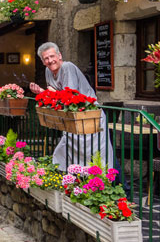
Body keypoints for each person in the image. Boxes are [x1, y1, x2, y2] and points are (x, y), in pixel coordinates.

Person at [29, 42, 114, 171]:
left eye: (52, 56)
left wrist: (47, 92)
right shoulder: (48, 71)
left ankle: (118, 187)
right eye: (46, 58)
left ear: (59, 55)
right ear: (42, 61)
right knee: (71, 155)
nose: (50, 61)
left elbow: (70, 96)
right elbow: (57, 97)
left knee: (97, 157)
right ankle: (74, 184)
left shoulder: (67, 67)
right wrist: (41, 92)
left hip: (88, 116)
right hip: (73, 119)